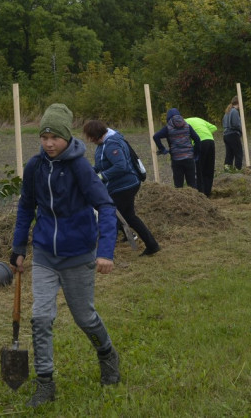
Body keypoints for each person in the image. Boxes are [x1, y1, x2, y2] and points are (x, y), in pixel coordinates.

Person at [11, 104, 120, 408]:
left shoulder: (79, 167)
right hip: (45, 253)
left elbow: (107, 206)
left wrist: (105, 251)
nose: (48, 143)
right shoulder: (35, 167)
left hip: (78, 255)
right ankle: (45, 383)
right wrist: (19, 248)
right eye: (44, 136)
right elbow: (25, 207)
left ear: (67, 137)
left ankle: (108, 355)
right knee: (41, 318)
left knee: (85, 318)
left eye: (55, 137)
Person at [83, 120, 160, 257]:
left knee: (109, 218)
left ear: (95, 135)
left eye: (90, 137)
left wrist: (101, 177)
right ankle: (152, 245)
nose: (89, 140)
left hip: (125, 186)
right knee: (129, 217)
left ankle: (103, 255)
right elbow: (103, 164)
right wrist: (91, 171)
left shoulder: (112, 144)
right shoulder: (103, 144)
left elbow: (121, 166)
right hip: (122, 185)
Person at [153, 108, 200, 189]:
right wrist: (195, 154)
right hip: (189, 159)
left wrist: (162, 149)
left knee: (178, 186)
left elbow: (156, 136)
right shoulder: (187, 126)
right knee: (192, 185)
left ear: (168, 118)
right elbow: (197, 139)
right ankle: (193, 201)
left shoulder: (168, 128)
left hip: (177, 160)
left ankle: (180, 201)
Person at [183, 116, 217, 197]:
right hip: (210, 141)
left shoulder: (184, 123)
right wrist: (206, 133)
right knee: (209, 168)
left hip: (199, 144)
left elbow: (186, 135)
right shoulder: (200, 119)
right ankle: (207, 192)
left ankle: (201, 193)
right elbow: (214, 127)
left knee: (199, 169)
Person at [220, 96, 244, 171]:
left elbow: (224, 123)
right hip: (233, 135)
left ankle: (227, 168)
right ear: (238, 103)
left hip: (226, 135)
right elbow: (235, 124)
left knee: (229, 153)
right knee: (238, 153)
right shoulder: (234, 111)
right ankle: (237, 169)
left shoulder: (228, 111)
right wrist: (241, 130)